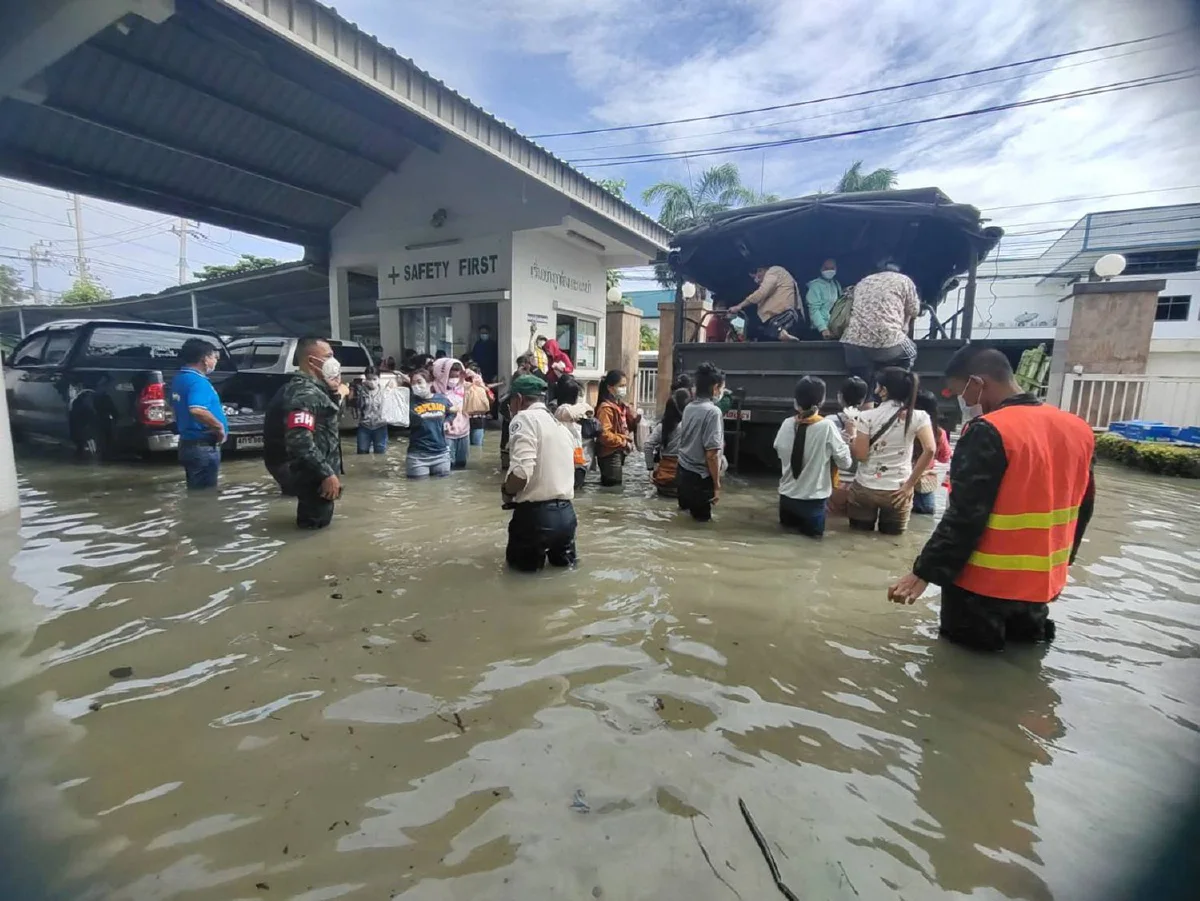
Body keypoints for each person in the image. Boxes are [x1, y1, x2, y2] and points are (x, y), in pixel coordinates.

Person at [888, 346, 1096, 651]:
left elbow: (965, 514)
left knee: (963, 671)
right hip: (1040, 586)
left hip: (981, 589)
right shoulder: (1078, 428)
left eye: (963, 392)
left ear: (977, 382)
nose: (965, 402)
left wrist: (924, 572)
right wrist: (1062, 565)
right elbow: (1084, 507)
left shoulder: (989, 430)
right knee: (1023, 664)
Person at [262, 336, 344, 529]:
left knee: (319, 523)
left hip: (318, 471)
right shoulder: (304, 393)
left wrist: (332, 391)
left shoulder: (316, 390)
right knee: (313, 527)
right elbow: (299, 440)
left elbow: (326, 422)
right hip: (314, 476)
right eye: (328, 356)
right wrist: (326, 474)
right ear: (311, 361)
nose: (334, 361)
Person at [502, 373, 578, 572]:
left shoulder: (524, 419)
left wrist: (507, 491)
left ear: (518, 399)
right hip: (567, 516)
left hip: (535, 518)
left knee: (520, 581)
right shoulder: (560, 426)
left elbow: (521, 472)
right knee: (565, 575)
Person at [847, 366, 935, 535]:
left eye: (877, 386)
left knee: (857, 540)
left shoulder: (866, 417)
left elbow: (861, 455)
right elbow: (930, 449)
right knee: (892, 542)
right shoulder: (919, 416)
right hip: (898, 490)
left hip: (865, 488)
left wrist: (852, 437)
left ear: (883, 390)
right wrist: (910, 485)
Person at [773, 376, 853, 538]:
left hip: (787, 499)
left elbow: (779, 451)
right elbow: (845, 463)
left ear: (796, 401)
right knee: (812, 547)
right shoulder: (827, 426)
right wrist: (849, 438)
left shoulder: (787, 423)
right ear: (822, 401)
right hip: (813, 502)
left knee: (784, 540)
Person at [841, 258, 921, 389]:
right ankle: (897, 390)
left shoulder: (863, 282)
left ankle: (866, 401)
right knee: (911, 351)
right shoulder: (904, 280)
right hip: (887, 342)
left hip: (853, 343)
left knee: (863, 387)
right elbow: (914, 310)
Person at [169, 338, 228, 490]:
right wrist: (219, 427)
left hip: (188, 444)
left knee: (196, 492)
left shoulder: (179, 379)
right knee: (206, 497)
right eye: (214, 357)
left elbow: (172, 408)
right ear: (205, 359)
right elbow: (197, 409)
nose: (215, 361)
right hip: (202, 446)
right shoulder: (198, 382)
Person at [676, 362, 725, 521]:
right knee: (702, 526)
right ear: (715, 387)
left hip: (683, 472)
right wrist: (717, 485)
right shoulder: (713, 412)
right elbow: (712, 454)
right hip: (700, 478)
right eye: (722, 387)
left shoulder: (689, 407)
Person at [643, 374, 693, 497]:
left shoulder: (662, 427)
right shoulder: (691, 426)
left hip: (664, 479)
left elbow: (648, 445)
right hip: (685, 478)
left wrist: (650, 469)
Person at [826, 376, 868, 517]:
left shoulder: (829, 422)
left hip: (834, 485)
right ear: (863, 399)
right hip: (861, 486)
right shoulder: (870, 421)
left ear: (840, 397)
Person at [727, 264, 804, 341]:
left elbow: (762, 292)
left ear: (760, 270)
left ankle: (781, 333)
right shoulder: (783, 275)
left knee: (777, 325)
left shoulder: (773, 272)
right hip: (791, 316)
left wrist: (739, 306)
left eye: (756, 277)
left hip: (783, 314)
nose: (755, 280)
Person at [405, 369, 453, 478]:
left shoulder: (442, 399)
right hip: (417, 456)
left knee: (442, 489)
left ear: (430, 383)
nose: (416, 386)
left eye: (419, 382)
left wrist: (448, 421)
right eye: (413, 383)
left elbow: (452, 412)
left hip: (441, 454)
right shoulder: (408, 402)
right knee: (419, 491)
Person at [912, 389, 952, 514]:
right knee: (925, 514)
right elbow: (945, 457)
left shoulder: (902, 427)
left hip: (899, 478)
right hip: (923, 483)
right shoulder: (938, 433)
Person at [595, 369, 637, 487]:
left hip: (617, 451)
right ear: (610, 387)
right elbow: (604, 435)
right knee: (613, 487)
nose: (624, 389)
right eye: (621, 386)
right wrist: (622, 440)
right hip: (609, 454)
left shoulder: (619, 406)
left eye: (625, 385)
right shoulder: (606, 409)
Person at [553, 375, 596, 490]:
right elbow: (569, 413)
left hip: (577, 460)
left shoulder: (572, 411)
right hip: (569, 461)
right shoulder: (561, 410)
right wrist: (585, 407)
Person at [432, 357, 474, 469]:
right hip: (446, 432)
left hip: (464, 431)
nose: (454, 379)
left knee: (462, 464)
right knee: (447, 465)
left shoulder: (464, 387)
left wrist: (473, 375)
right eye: (450, 376)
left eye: (457, 376)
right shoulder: (435, 389)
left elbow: (480, 386)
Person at [352, 369, 388, 455]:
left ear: (379, 378)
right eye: (369, 379)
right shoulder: (361, 390)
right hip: (364, 426)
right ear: (365, 379)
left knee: (380, 453)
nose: (371, 382)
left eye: (374, 379)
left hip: (381, 426)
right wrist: (355, 391)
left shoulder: (385, 391)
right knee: (362, 451)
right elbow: (355, 407)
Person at [806, 258, 842, 339]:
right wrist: (823, 328)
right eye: (826, 268)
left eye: (832, 268)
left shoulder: (836, 284)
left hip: (834, 329)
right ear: (820, 269)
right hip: (819, 331)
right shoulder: (815, 286)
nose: (829, 271)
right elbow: (814, 309)